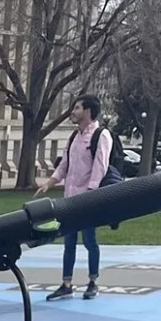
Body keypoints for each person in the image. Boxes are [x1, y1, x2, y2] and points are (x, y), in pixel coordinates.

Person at [36, 94, 112, 300]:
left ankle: (93, 281)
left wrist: (91, 192)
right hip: (70, 200)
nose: (73, 111)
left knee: (90, 241)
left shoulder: (100, 135)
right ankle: (66, 283)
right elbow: (64, 166)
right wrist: (49, 183)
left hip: (87, 200)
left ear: (88, 111)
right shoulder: (74, 137)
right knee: (68, 242)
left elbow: (100, 166)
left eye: (77, 108)